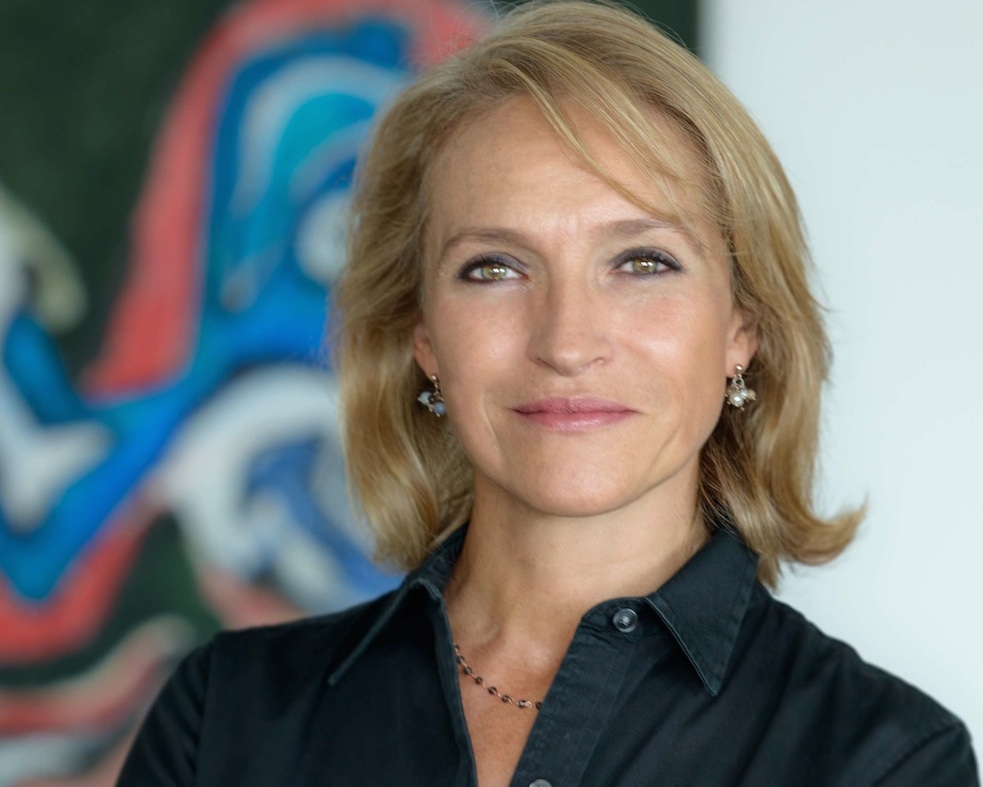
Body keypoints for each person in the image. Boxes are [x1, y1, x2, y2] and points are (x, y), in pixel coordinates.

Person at [117, 1, 979, 784]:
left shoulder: (885, 759)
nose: (566, 342)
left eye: (642, 262)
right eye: (494, 268)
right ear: (423, 335)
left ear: (741, 328)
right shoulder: (221, 720)